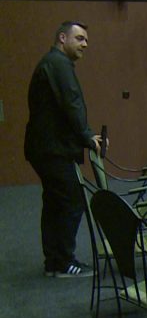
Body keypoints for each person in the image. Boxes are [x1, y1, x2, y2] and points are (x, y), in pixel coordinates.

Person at [24, 21, 102, 279]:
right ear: (62, 38)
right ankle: (63, 261)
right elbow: (71, 103)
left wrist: (85, 136)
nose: (85, 44)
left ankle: (54, 262)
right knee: (72, 200)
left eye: (86, 40)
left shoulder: (53, 63)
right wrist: (88, 136)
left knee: (55, 202)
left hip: (45, 148)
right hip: (52, 150)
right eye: (79, 38)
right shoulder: (57, 64)